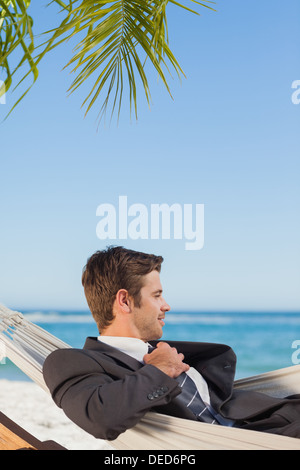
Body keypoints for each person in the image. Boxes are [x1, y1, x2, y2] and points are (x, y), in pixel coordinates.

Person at [43, 246, 300, 441]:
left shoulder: (160, 350)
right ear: (124, 301)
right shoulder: (69, 362)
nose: (166, 305)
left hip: (271, 422)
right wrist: (159, 370)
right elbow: (100, 418)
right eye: (156, 295)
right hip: (245, 442)